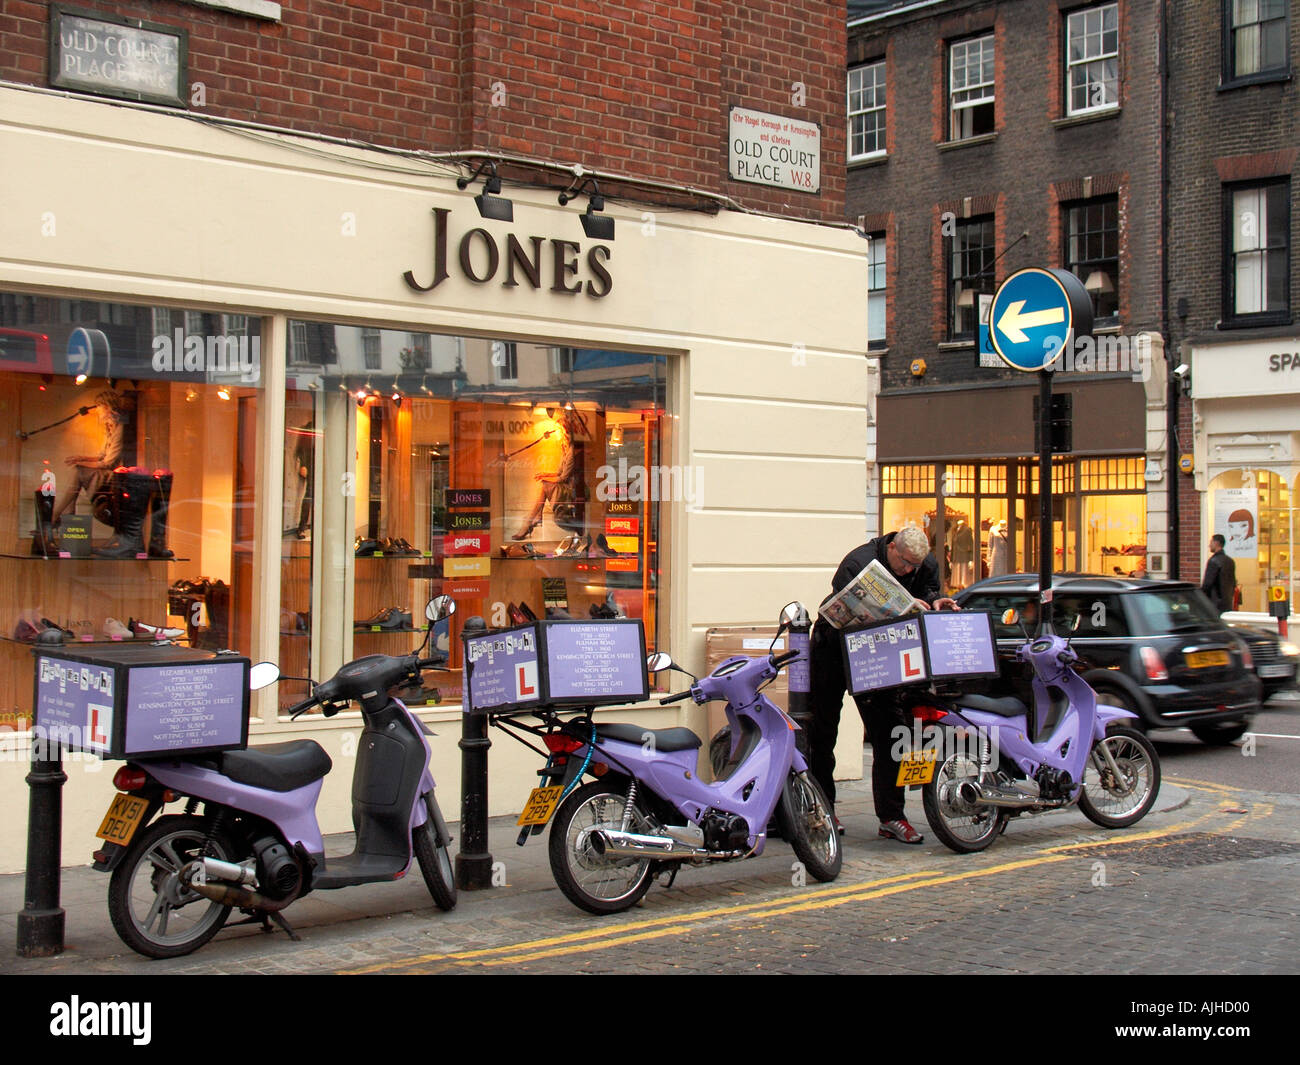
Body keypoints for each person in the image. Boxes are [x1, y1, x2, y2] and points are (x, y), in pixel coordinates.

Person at [807, 526, 960, 844]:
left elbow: (930, 591)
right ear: (891, 547)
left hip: (877, 653)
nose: (908, 571)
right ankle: (824, 810)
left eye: (914, 567)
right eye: (904, 563)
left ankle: (892, 816)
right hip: (834, 649)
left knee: (891, 732)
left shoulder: (924, 563)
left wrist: (935, 601)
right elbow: (845, 607)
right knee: (823, 733)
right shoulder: (857, 562)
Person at [1201, 533, 1236, 615]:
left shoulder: (1214, 561)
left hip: (1214, 605)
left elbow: (1207, 584)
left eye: (1211, 542)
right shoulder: (1230, 561)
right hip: (1227, 604)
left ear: (1216, 543)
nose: (1209, 545)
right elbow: (1233, 583)